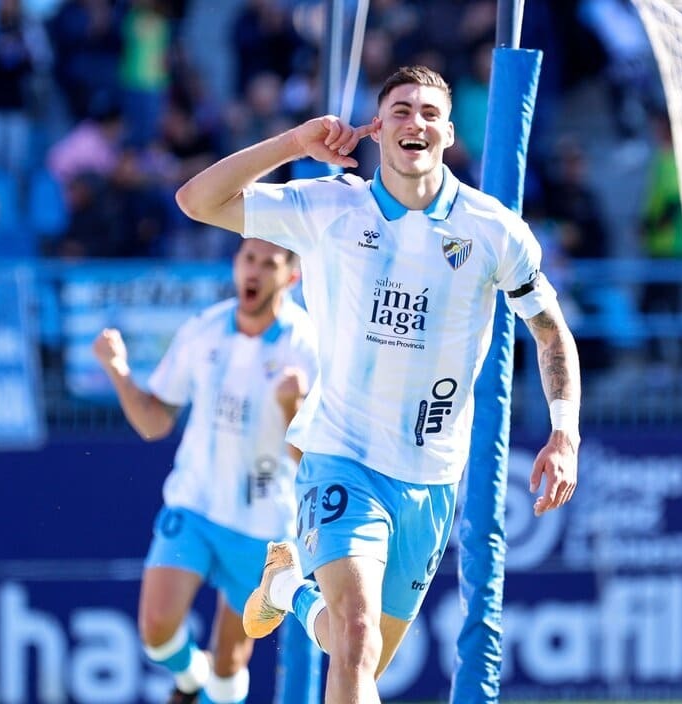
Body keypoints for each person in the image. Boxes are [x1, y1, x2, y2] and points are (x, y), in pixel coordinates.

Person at [175, 64, 582, 703]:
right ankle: (295, 590)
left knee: (359, 656)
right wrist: (292, 145)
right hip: (342, 457)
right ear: (376, 129)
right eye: (399, 111)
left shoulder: (492, 229)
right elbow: (197, 200)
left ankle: (285, 588)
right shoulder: (331, 205)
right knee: (357, 636)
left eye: (427, 113)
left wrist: (565, 434)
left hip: (429, 477)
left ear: (449, 132)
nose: (413, 123)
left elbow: (552, 332)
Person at [92, 237, 319, 704]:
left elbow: (313, 465)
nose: (254, 272)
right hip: (194, 504)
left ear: (290, 277)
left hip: (264, 525)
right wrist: (118, 372)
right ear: (236, 265)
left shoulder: (306, 346)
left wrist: (292, 409)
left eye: (269, 263)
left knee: (229, 663)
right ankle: (189, 675)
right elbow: (156, 420)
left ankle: (207, 683)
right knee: (156, 630)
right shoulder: (205, 330)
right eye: (248, 259)